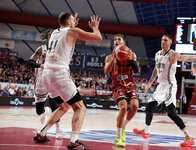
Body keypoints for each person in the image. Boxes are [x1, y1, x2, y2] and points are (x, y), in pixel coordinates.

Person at [33, 12, 102, 150]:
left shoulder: (54, 33)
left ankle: (41, 134)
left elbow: (67, 36)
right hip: (59, 75)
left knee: (64, 106)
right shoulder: (72, 31)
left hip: (47, 75)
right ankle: (74, 142)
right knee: (80, 108)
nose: (75, 21)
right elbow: (98, 38)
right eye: (73, 19)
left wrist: (72, 26)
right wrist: (95, 27)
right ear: (69, 22)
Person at [133, 34, 196, 147]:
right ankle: (146, 132)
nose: (163, 42)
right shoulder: (157, 54)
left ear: (170, 42)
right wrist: (149, 84)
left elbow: (187, 58)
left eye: (166, 40)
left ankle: (189, 137)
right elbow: (155, 71)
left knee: (171, 113)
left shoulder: (173, 54)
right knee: (149, 108)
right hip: (160, 86)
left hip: (169, 86)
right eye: (162, 40)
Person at [104, 34, 139, 147]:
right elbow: (106, 72)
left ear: (123, 42)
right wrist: (114, 57)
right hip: (117, 85)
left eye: (119, 39)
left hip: (129, 84)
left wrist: (130, 60)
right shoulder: (109, 57)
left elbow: (136, 70)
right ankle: (118, 137)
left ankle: (123, 126)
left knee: (134, 106)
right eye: (115, 39)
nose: (116, 41)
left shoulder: (131, 54)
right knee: (123, 107)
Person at [27, 31, 63, 138]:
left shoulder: (59, 50)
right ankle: (44, 112)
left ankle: (58, 129)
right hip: (41, 81)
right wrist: (40, 65)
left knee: (55, 104)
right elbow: (30, 62)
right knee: (38, 110)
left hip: (53, 79)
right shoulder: (41, 49)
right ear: (48, 37)